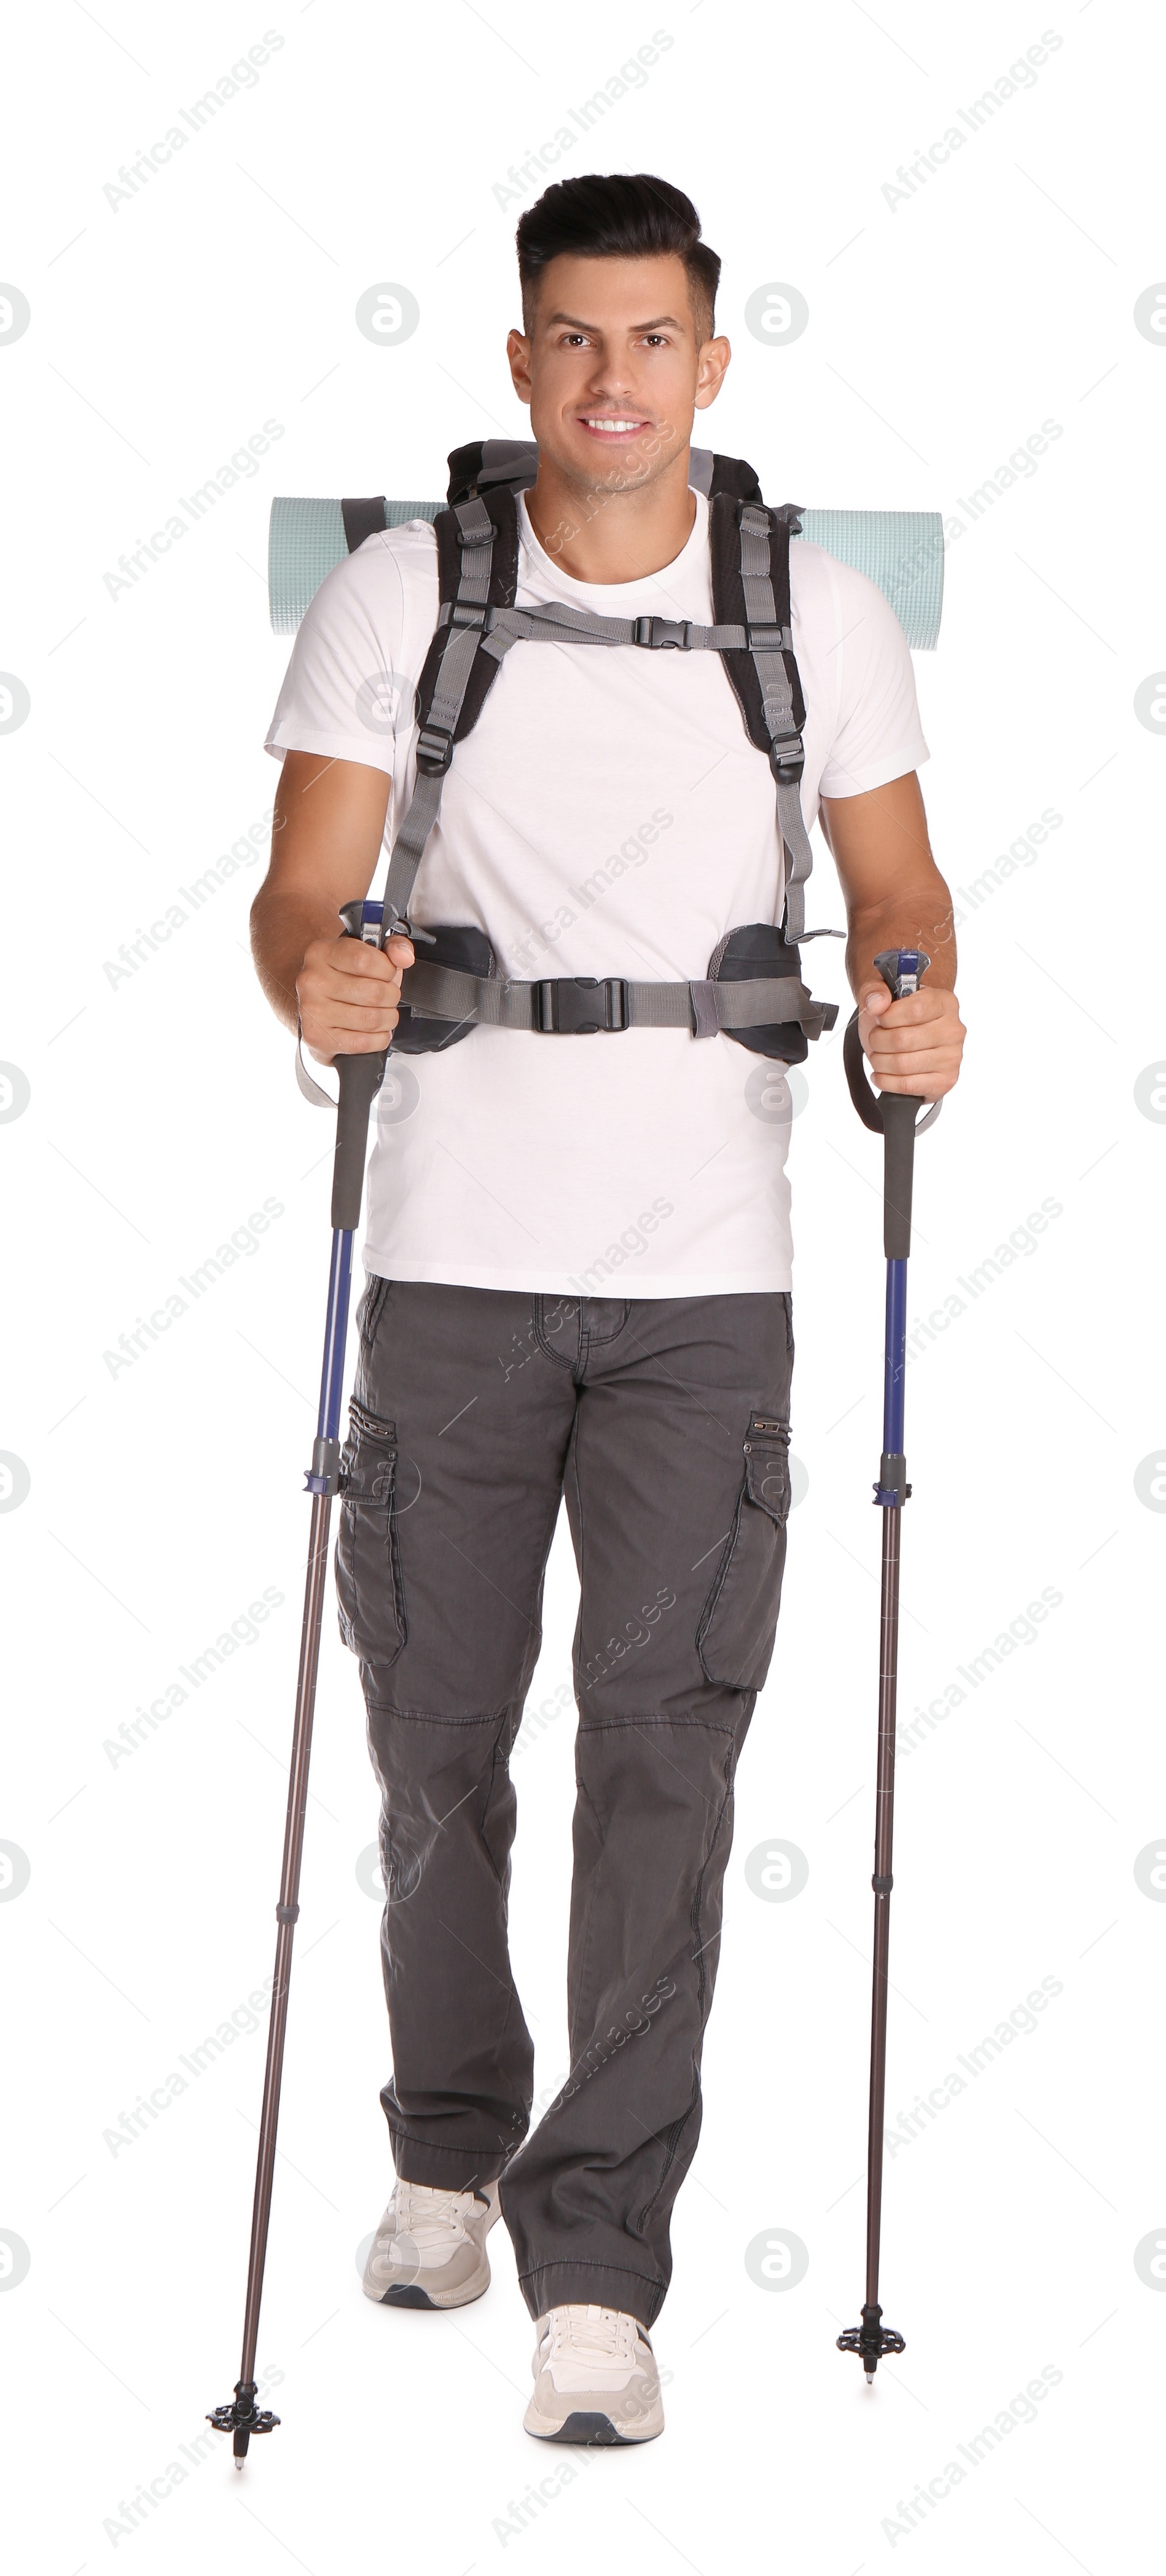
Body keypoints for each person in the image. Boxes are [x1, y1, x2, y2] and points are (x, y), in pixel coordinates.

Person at [253, 171, 965, 2446]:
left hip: (705, 1288)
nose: (612, 382)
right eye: (572, 339)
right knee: (437, 1748)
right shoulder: (403, 591)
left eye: (652, 341)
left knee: (665, 1767)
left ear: (712, 364)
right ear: (519, 358)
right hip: (453, 1261)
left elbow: (898, 889)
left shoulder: (818, 614)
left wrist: (919, 1002)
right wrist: (326, 977)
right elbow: (294, 893)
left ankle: (600, 2273)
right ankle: (445, 2154)